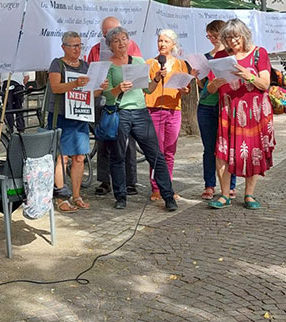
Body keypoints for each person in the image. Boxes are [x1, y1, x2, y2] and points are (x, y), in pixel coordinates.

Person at [101, 26, 177, 212]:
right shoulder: (107, 65)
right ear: (110, 45)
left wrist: (156, 79)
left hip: (141, 112)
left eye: (124, 39)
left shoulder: (138, 61)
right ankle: (120, 197)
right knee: (118, 156)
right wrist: (118, 88)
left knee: (156, 155)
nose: (121, 43)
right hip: (120, 113)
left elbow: (148, 90)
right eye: (116, 41)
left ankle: (168, 195)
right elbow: (107, 95)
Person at [205, 19, 276, 210]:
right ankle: (224, 194)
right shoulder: (221, 56)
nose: (232, 41)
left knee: (253, 151)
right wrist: (214, 84)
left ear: (244, 35)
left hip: (253, 113)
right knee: (223, 152)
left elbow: (265, 84)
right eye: (228, 37)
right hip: (228, 111)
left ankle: (249, 194)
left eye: (236, 37)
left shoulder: (259, 53)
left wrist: (248, 76)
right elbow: (210, 89)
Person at [86, 16, 140, 197]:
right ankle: (104, 180)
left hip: (126, 101)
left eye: (114, 32)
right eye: (106, 34)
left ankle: (130, 181)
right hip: (103, 100)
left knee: (128, 143)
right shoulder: (95, 49)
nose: (110, 37)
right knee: (104, 139)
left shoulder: (132, 47)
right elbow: (91, 74)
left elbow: (139, 72)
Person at [47, 32, 94, 212]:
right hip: (61, 115)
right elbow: (55, 87)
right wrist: (75, 84)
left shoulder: (85, 66)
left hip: (80, 115)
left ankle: (77, 195)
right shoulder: (57, 64)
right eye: (73, 46)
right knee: (62, 157)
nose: (77, 49)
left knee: (79, 157)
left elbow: (91, 91)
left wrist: (100, 87)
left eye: (79, 45)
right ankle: (62, 197)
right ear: (63, 47)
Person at [144, 29, 190, 202]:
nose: (162, 44)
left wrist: (185, 90)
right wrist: (156, 78)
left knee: (170, 151)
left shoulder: (180, 64)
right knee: (157, 151)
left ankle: (167, 186)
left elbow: (185, 88)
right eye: (160, 41)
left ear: (173, 44)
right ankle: (156, 188)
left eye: (166, 41)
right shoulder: (150, 63)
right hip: (154, 109)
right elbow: (146, 87)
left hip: (173, 110)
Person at [196, 21, 237, 201]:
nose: (212, 39)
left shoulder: (231, 55)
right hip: (207, 104)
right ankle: (209, 184)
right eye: (209, 36)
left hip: (225, 105)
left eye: (214, 35)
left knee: (228, 146)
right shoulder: (206, 57)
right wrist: (197, 76)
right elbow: (203, 86)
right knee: (209, 148)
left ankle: (230, 186)